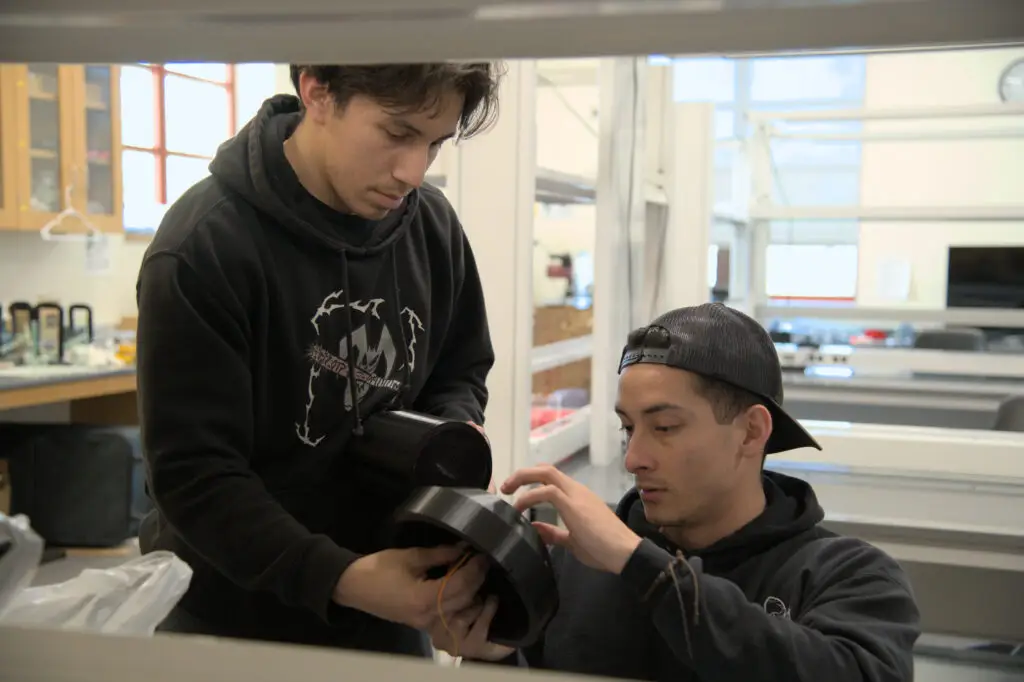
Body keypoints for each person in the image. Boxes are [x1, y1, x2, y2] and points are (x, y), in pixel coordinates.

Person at [134, 63, 503, 655]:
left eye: (434, 143)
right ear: (318, 92)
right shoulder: (204, 246)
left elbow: (459, 369)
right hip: (234, 610)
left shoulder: (431, 225)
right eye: (397, 132)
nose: (413, 172)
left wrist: (449, 432)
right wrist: (343, 580)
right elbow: (197, 477)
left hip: (389, 594)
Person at [431, 302, 922, 681]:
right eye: (628, 428)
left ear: (752, 432)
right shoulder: (573, 565)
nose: (633, 458)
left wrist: (643, 566)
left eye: (664, 427)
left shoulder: (850, 578)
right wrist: (490, 659)